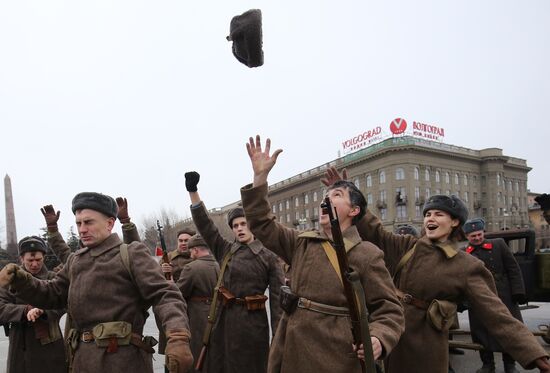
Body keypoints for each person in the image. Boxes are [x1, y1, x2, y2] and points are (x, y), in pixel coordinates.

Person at [322, 166, 550, 373]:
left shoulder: (467, 265)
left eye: (439, 214)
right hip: (393, 336)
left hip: (426, 346)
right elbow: (374, 230)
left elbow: (497, 315)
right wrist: (349, 192)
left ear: (454, 223)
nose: (431, 218)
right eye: (428, 214)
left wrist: (535, 353)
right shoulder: (407, 247)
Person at [239, 136, 405, 373]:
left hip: (337, 356)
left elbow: (389, 309)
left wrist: (378, 338)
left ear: (354, 210)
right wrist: (260, 178)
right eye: (326, 196)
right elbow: (261, 223)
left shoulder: (368, 254)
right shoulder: (301, 243)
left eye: (337, 195)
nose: (326, 199)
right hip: (292, 349)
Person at [0, 192, 192, 373]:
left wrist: (178, 336)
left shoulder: (131, 254)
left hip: (123, 362)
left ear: (110, 223)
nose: (82, 229)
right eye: (79, 223)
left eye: (89, 222)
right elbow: (53, 293)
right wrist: (20, 279)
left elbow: (165, 294)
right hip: (82, 361)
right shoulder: (75, 260)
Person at [185, 171, 284, 373]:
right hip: (224, 321)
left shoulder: (269, 256)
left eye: (243, 224)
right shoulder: (225, 250)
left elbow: (277, 305)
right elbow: (205, 225)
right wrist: (193, 192)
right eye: (235, 225)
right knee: (222, 365)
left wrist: (278, 342)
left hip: (254, 326)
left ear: (252, 226)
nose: (239, 228)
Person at [463, 218, 527, 373]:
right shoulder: (464, 253)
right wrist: (465, 302)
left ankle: (510, 365)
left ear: (483, 232)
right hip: (478, 298)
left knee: (509, 331)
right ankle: (487, 364)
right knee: (482, 332)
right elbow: (461, 279)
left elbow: (513, 268)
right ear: (467, 237)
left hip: (504, 296)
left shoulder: (499, 244)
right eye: (473, 236)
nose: (477, 238)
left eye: (479, 234)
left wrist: (518, 292)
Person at [0, 236, 67, 373]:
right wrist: (25, 311)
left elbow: (63, 303)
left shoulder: (53, 278)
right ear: (21, 259)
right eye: (30, 260)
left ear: (44, 257)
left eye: (38, 260)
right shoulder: (10, 279)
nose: (35, 264)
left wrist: (44, 311)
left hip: (51, 343)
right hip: (21, 344)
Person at [176, 234, 220, 373]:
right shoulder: (220, 265)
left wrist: (170, 284)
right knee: (216, 352)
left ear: (195, 250)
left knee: (198, 351)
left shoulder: (191, 268)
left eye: (191, 251)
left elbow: (179, 292)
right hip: (219, 312)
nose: (190, 253)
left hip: (198, 316)